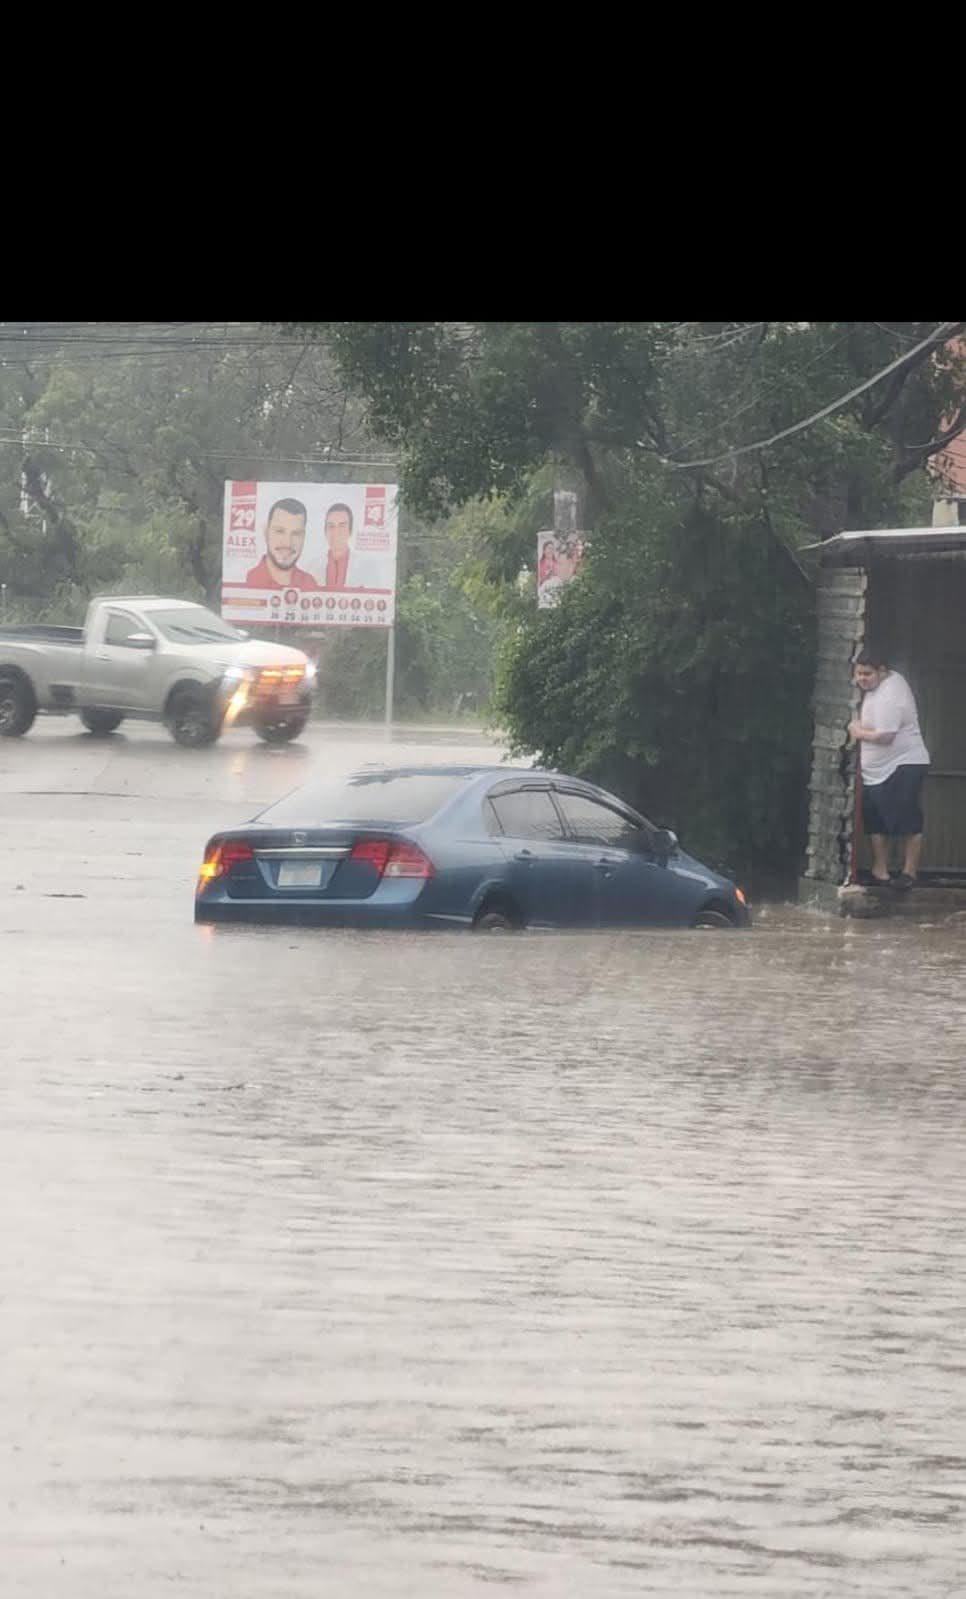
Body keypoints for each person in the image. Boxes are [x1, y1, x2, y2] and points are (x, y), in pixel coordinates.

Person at [849, 649, 930, 890]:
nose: (862, 679)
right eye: (859, 674)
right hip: (875, 771)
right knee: (875, 820)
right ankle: (880, 871)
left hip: (903, 764)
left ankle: (908, 873)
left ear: (882, 671)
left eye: (868, 674)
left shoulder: (891, 693)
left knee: (907, 819)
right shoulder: (874, 689)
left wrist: (856, 731)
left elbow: (885, 736)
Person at [245, 499, 318, 589]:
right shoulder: (246, 581)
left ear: (303, 537)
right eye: (280, 531)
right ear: (266, 533)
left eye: (296, 533)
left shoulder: (310, 583)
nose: (287, 543)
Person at [324, 502, 353, 589]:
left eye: (342, 526)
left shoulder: (367, 566)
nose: (336, 532)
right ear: (325, 531)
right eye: (331, 526)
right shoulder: (312, 567)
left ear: (350, 531)